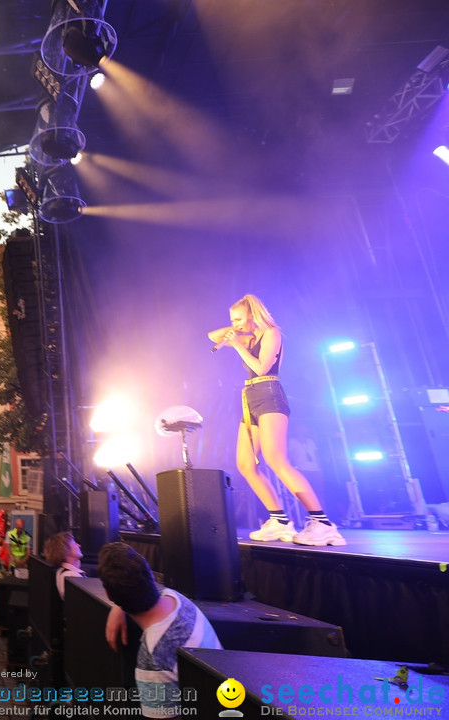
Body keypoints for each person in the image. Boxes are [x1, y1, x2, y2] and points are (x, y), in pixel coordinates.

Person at [209, 294, 346, 546]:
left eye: (239, 318)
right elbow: (212, 336)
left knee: (276, 459)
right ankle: (279, 520)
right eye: (232, 319)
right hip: (250, 397)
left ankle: (322, 523)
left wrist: (237, 344)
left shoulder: (271, 333)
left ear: (252, 315)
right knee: (246, 464)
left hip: (269, 393)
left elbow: (261, 368)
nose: (235, 323)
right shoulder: (246, 335)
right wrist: (235, 330)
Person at [99, 542, 221, 719]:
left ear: (109, 595)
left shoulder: (152, 659)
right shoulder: (175, 597)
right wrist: (118, 607)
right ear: (150, 575)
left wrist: (118, 604)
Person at [43, 531, 85, 600]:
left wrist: (76, 566)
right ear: (66, 550)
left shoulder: (61, 571)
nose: (79, 545)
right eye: (74, 544)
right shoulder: (73, 576)